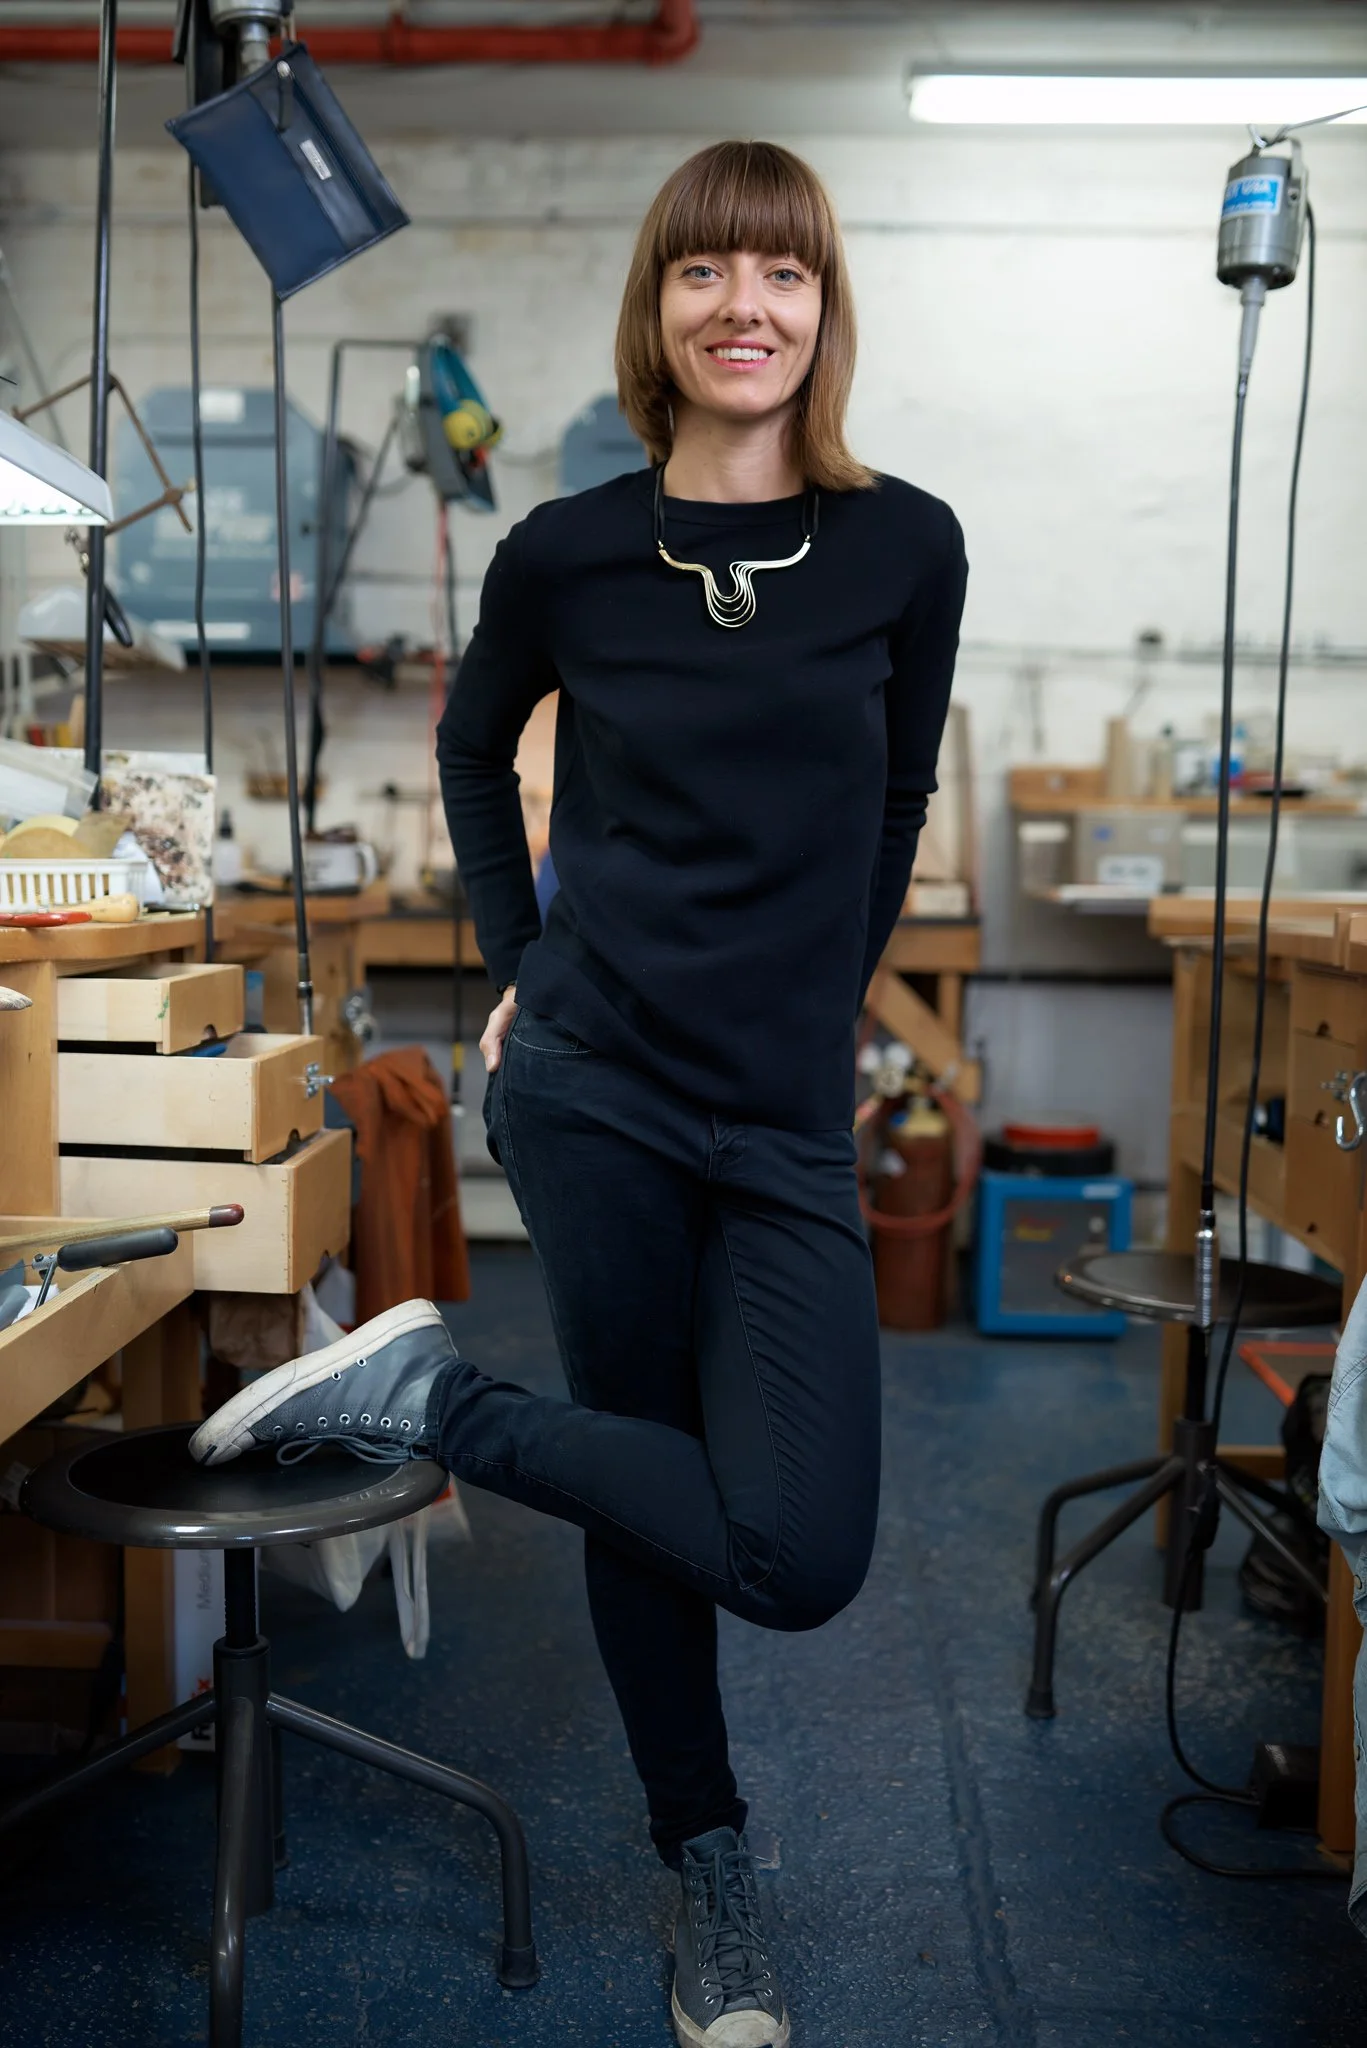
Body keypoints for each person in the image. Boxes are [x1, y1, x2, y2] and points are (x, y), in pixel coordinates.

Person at [192, 138, 968, 2048]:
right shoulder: (566, 553)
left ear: (821, 309)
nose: (743, 307)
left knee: (793, 1544)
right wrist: (527, 960)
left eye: (779, 275)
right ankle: (704, 1864)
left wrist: (817, 994)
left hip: (781, 1112)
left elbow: (888, 804)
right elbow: (472, 751)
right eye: (706, 271)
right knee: (645, 1488)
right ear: (659, 307)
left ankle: (427, 1391)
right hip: (600, 1088)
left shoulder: (904, 545)